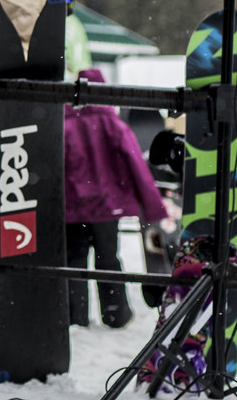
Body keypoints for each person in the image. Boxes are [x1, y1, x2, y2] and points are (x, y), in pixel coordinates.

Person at [64, 66, 166, 328]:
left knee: (74, 260)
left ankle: (75, 316)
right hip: (107, 207)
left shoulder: (64, 125)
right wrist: (153, 207)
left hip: (73, 207)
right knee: (108, 258)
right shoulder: (113, 124)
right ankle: (115, 313)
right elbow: (137, 166)